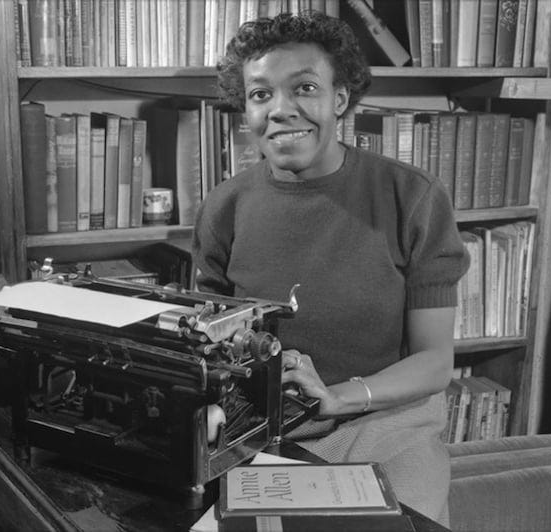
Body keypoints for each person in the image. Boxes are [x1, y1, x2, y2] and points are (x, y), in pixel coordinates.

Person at [192, 11, 470, 525]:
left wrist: (339, 397)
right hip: (260, 432)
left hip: (385, 425)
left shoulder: (412, 197)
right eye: (260, 94)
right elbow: (209, 345)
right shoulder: (224, 207)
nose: (281, 110)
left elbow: (435, 363)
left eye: (304, 88)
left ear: (339, 98)